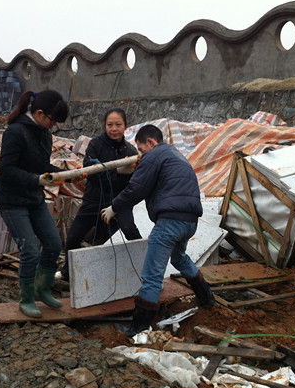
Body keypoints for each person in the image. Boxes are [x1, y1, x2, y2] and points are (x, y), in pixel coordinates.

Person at [101, 124, 214, 336]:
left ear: (151, 142)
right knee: (179, 258)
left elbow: (136, 189)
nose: (140, 155)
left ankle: (138, 327)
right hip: (190, 221)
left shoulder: (153, 156)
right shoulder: (176, 155)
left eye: (141, 149)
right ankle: (206, 297)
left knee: (152, 276)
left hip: (170, 222)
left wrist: (114, 208)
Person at [0, 89, 69, 317]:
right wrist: (36, 180)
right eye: (52, 120)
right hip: (11, 200)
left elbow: (40, 165)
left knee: (54, 243)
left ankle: (42, 289)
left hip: (33, 197)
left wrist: (65, 174)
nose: (53, 126)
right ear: (39, 113)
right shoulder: (15, 132)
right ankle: (26, 298)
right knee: (30, 250)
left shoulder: (44, 134)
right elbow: (6, 170)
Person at [60, 108, 141, 281]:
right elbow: (91, 172)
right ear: (104, 126)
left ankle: (141, 271)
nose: (114, 129)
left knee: (129, 233)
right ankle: (67, 273)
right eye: (110, 125)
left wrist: (129, 174)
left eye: (118, 124)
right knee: (73, 237)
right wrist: (118, 171)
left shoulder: (130, 150)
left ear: (125, 126)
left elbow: (135, 180)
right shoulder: (95, 145)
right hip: (94, 199)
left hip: (118, 202)